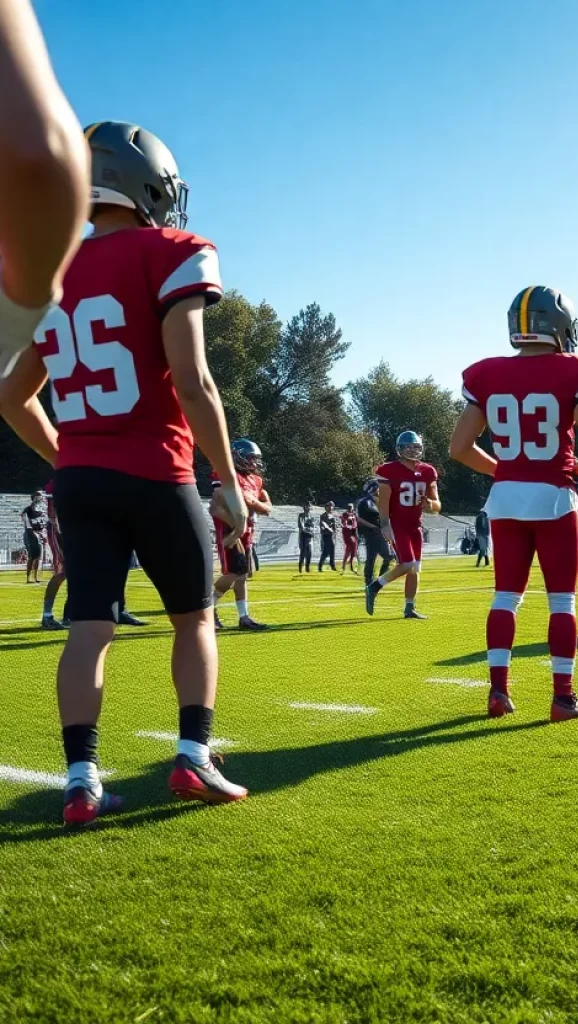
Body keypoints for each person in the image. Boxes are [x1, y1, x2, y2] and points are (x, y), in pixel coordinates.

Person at [0, 119, 248, 826]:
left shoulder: (49, 270)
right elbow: (192, 379)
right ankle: (193, 756)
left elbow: (12, 395)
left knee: (88, 630)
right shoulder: (173, 250)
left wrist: (68, 456)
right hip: (157, 469)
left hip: (81, 478)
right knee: (195, 621)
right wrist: (227, 479)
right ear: (148, 185)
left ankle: (80, 780)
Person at [450, 284, 578, 721]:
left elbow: (460, 448)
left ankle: (498, 693)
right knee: (562, 602)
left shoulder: (485, 374)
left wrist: (503, 470)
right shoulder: (574, 370)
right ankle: (563, 698)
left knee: (505, 597)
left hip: (505, 500)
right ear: (558, 325)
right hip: (554, 499)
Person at [0, 0, 90, 377]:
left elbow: (14, 399)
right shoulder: (171, 258)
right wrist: (13, 325)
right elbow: (39, 152)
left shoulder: (83, 265)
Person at [365, 430, 440, 619]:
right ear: (400, 449)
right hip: (397, 524)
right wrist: (384, 524)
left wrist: (430, 504)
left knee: (415, 568)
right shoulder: (389, 470)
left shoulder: (428, 471)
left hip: (416, 526)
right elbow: (384, 501)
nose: (413, 450)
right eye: (408, 447)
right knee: (407, 564)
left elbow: (437, 505)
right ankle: (375, 586)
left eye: (416, 447)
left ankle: (409, 607)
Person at [211, 438, 271, 630]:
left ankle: (244, 617)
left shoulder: (256, 480)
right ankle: (207, 607)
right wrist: (237, 525)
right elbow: (215, 507)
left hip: (246, 531)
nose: (254, 463)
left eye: (255, 459)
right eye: (250, 459)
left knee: (242, 576)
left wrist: (253, 502)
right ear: (238, 457)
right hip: (231, 530)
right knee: (234, 572)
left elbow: (267, 507)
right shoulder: (227, 474)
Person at [40, 478, 67, 628]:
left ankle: (71, 615)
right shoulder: (58, 481)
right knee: (61, 573)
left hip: (73, 529)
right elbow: (52, 511)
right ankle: (47, 616)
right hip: (59, 531)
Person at [357, 480, 392, 587]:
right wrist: (372, 526)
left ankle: (379, 580)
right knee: (372, 557)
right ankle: (369, 580)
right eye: (378, 488)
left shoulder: (378, 501)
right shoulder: (365, 502)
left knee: (388, 556)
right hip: (371, 533)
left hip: (380, 532)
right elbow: (358, 518)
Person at [21, 487, 45, 582]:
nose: (39, 498)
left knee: (38, 557)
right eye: (37, 496)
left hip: (38, 535)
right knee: (32, 556)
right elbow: (24, 518)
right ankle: (28, 578)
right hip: (30, 535)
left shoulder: (41, 511)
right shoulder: (28, 509)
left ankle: (35, 577)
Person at [318, 500, 337, 571]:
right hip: (325, 536)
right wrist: (327, 528)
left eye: (331, 507)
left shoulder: (332, 516)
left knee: (328, 552)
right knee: (328, 551)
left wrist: (334, 531)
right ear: (326, 507)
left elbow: (334, 527)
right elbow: (322, 526)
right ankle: (331, 565)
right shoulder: (323, 516)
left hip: (331, 535)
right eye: (329, 506)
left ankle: (321, 565)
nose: (330, 508)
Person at [340, 503, 359, 573]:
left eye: (351, 507)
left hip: (353, 533)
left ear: (353, 507)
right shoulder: (345, 514)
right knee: (350, 548)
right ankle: (346, 565)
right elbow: (343, 522)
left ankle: (347, 565)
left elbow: (356, 523)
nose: (350, 508)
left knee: (352, 550)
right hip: (347, 533)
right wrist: (347, 524)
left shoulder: (354, 514)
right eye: (349, 507)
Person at [297, 501, 315, 573]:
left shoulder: (311, 517)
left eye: (309, 506)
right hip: (303, 536)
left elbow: (313, 527)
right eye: (307, 506)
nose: (308, 507)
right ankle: (300, 568)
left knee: (309, 552)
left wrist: (310, 530)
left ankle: (307, 568)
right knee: (303, 552)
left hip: (309, 536)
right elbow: (301, 527)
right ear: (304, 507)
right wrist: (309, 529)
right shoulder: (301, 515)